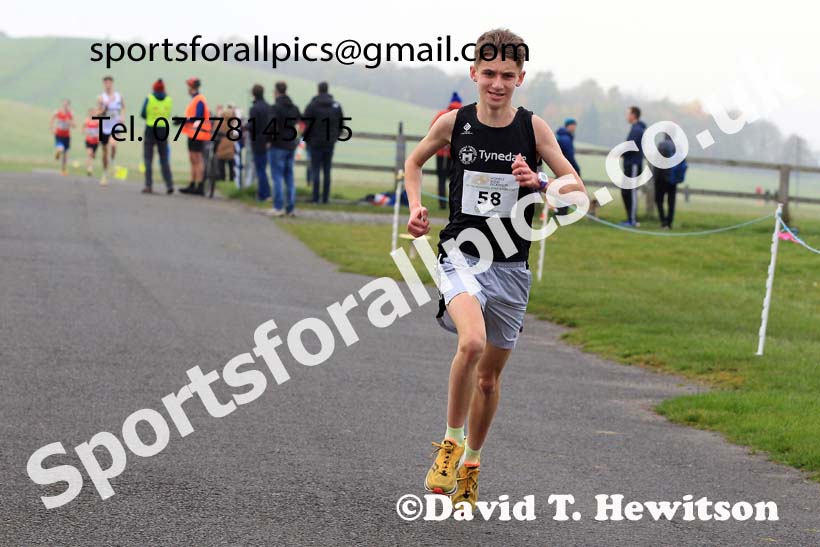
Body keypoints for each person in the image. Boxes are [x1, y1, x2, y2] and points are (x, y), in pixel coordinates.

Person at [404, 28, 585, 509]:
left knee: (489, 378)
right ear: (474, 73)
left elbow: (579, 194)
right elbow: (414, 161)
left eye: (507, 75)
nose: (498, 83)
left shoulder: (534, 129)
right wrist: (416, 207)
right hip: (461, 255)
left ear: (521, 77)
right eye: (489, 73)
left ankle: (471, 464)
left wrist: (541, 182)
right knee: (472, 341)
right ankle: (449, 444)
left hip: (511, 268)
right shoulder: (454, 123)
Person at [303, 81, 344, 204]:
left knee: (316, 170)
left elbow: (305, 123)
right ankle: (325, 198)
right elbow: (341, 124)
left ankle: (315, 197)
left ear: (318, 90)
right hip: (329, 142)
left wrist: (307, 138)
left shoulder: (312, 105)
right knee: (327, 171)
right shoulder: (336, 106)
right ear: (327, 90)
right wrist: (335, 137)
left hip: (314, 142)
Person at [268, 81, 301, 216]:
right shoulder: (294, 108)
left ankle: (278, 206)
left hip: (277, 145)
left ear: (276, 92)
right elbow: (302, 122)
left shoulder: (275, 108)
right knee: (289, 177)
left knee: (277, 177)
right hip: (291, 144)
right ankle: (291, 207)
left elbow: (272, 126)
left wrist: (270, 140)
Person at [140, 78, 174, 194]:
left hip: (150, 128)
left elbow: (143, 113)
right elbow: (168, 114)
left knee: (148, 158)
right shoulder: (169, 100)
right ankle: (169, 184)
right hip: (163, 129)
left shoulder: (149, 98)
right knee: (164, 158)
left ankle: (148, 185)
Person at [178, 77, 211, 196]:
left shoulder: (199, 100)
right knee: (193, 158)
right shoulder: (196, 99)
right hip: (194, 133)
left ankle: (199, 185)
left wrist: (185, 120)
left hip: (198, 133)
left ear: (192, 87)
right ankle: (193, 183)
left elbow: (198, 116)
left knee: (197, 158)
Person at [430, 92, 463, 209]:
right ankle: (453, 204)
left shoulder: (442, 115)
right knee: (454, 179)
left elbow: (432, 131)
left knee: (441, 178)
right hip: (454, 154)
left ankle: (442, 204)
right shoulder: (463, 115)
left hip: (440, 153)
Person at [97, 75, 125, 185]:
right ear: (104, 84)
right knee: (104, 152)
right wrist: (105, 108)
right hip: (105, 127)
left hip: (115, 125)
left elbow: (123, 107)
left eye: (109, 83)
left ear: (112, 84)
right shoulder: (101, 98)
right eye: (106, 83)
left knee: (113, 144)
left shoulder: (119, 96)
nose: (108, 85)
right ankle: (104, 173)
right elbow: (98, 113)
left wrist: (122, 116)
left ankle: (113, 162)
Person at [621, 106, 646, 227]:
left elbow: (631, 146)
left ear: (634, 115)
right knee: (625, 191)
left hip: (634, 165)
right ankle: (629, 219)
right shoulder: (634, 128)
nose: (627, 116)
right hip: (629, 164)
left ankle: (633, 220)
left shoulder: (637, 130)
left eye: (628, 114)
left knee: (631, 192)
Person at [248, 84, 272, 202]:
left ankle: (264, 194)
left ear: (253, 94)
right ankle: (265, 192)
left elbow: (253, 125)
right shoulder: (269, 107)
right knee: (263, 168)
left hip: (257, 141)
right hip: (267, 141)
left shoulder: (254, 108)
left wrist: (245, 126)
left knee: (260, 169)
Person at [555, 118, 580, 216]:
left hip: (559, 167)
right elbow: (569, 156)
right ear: (568, 126)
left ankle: (559, 212)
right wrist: (576, 169)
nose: (574, 127)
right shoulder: (566, 138)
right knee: (565, 191)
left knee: (560, 190)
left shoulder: (565, 137)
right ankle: (562, 213)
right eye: (573, 125)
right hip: (565, 169)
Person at [655, 133, 678, 229]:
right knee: (671, 201)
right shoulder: (677, 146)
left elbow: (657, 161)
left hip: (661, 177)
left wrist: (655, 176)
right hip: (673, 178)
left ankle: (663, 221)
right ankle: (669, 222)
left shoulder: (661, 145)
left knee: (659, 200)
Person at [50, 99, 74, 176]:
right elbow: (52, 120)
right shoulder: (58, 112)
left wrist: (69, 122)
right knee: (61, 149)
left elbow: (74, 125)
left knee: (65, 154)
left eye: (67, 104)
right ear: (62, 105)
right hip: (59, 134)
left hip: (66, 135)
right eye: (64, 104)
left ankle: (63, 169)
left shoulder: (70, 114)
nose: (65, 106)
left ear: (68, 105)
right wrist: (52, 128)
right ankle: (58, 153)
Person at [83, 108, 100, 176]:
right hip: (88, 140)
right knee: (89, 154)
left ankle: (93, 157)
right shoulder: (86, 121)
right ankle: (89, 169)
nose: (92, 114)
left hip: (95, 141)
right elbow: (83, 128)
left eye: (93, 113)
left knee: (93, 155)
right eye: (91, 113)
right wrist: (85, 131)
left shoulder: (98, 121)